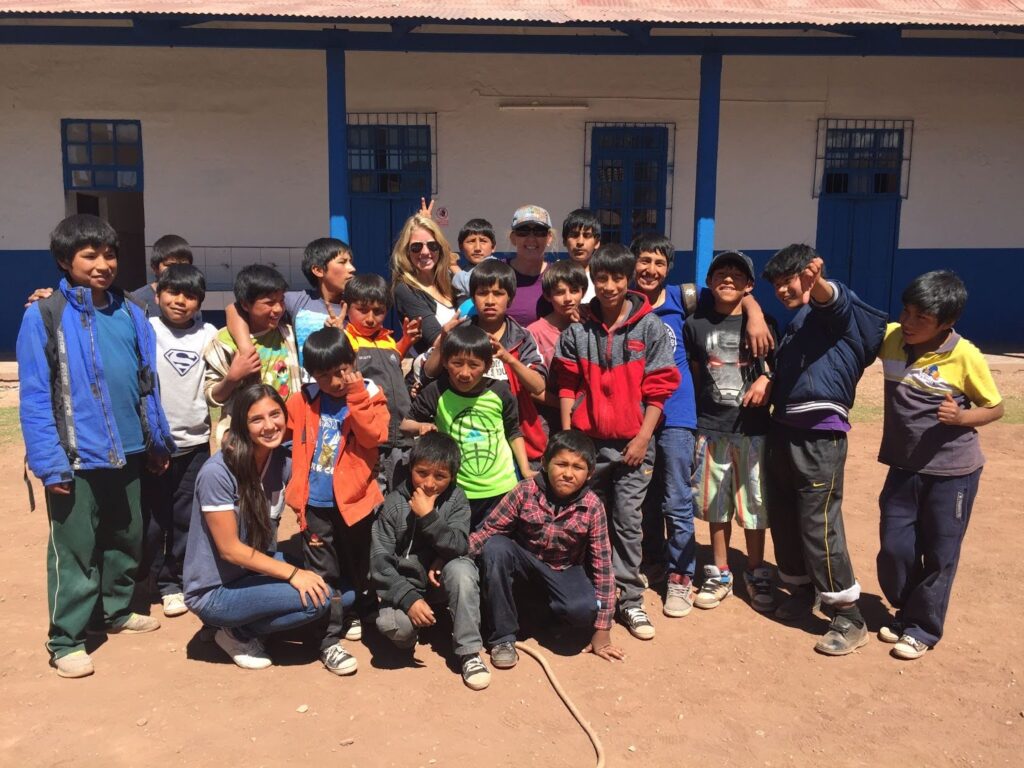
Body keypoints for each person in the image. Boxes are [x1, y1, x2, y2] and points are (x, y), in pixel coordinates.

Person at [18, 214, 175, 678]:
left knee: (123, 538)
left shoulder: (130, 312)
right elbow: (35, 393)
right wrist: (50, 463)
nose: (103, 264)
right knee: (75, 547)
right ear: (66, 261)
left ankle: (116, 610)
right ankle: (66, 638)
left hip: (128, 450)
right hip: (75, 456)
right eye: (90, 255)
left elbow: (148, 383)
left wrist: (155, 440)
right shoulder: (44, 315)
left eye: (109, 254)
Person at [762, 244, 887, 656]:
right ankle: (801, 591)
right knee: (783, 517)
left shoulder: (835, 312)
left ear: (811, 276)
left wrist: (819, 286)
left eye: (790, 280)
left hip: (820, 436)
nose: (783, 290)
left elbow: (832, 301)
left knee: (819, 524)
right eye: (777, 284)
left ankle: (848, 615)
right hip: (783, 430)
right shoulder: (796, 325)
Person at [553, 243, 680, 641]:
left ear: (629, 280)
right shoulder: (578, 329)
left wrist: (643, 437)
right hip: (588, 444)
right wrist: (569, 438)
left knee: (627, 521)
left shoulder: (650, 328)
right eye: (602, 278)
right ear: (593, 279)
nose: (609, 286)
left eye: (617, 278)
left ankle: (629, 600)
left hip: (632, 445)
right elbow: (567, 384)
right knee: (586, 519)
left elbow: (659, 389)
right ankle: (588, 589)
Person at [875, 271, 1003, 660]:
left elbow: (995, 407)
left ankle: (922, 628)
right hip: (903, 467)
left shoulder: (965, 355)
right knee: (895, 548)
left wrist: (962, 418)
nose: (909, 323)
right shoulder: (894, 337)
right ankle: (905, 607)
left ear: (947, 323)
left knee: (940, 552)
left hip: (953, 473)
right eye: (907, 312)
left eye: (922, 318)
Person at [183, 384, 330, 670]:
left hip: (252, 570)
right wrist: (294, 574)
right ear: (242, 425)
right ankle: (235, 632)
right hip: (216, 589)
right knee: (317, 602)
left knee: (338, 591)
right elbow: (231, 551)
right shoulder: (218, 472)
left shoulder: (280, 460)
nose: (269, 425)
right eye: (257, 419)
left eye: (275, 414)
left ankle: (241, 620)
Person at [471, 429, 624, 668]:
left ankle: (544, 619)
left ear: (590, 473)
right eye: (561, 464)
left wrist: (603, 629)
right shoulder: (525, 490)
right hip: (524, 562)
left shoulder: (593, 506)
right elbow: (489, 530)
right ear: (544, 463)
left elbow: (602, 566)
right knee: (496, 546)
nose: (568, 474)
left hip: (564, 568)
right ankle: (502, 637)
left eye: (577, 467)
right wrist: (451, 554)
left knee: (582, 610)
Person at [284, 327, 389, 671]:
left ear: (353, 362)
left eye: (341, 371)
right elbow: (280, 429)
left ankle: (358, 612)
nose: (334, 381)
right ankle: (327, 638)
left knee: (360, 564)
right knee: (323, 571)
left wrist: (357, 394)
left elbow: (373, 436)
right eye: (324, 375)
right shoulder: (303, 399)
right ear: (313, 374)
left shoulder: (370, 393)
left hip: (355, 501)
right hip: (314, 504)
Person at [683, 251, 777, 614]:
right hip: (710, 428)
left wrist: (766, 379)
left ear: (749, 285)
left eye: (736, 275)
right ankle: (720, 571)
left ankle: (755, 570)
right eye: (719, 273)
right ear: (709, 283)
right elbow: (693, 373)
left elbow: (774, 367)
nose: (727, 279)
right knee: (714, 503)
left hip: (753, 430)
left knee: (755, 503)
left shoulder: (764, 322)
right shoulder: (697, 324)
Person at [370, 432, 490, 690]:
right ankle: (415, 628)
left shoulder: (457, 499)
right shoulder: (393, 504)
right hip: (406, 586)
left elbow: (459, 545)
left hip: (440, 584)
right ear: (411, 468)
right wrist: (408, 599)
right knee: (393, 626)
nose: (429, 483)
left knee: (462, 570)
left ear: (453, 476)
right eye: (422, 472)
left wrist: (429, 517)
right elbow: (379, 562)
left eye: (440, 476)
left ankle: (469, 652)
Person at [141, 264, 217, 618]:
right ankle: (149, 578)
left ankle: (176, 582)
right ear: (157, 295)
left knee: (187, 516)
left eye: (190, 296)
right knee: (154, 518)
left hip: (196, 443)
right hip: (155, 446)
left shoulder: (208, 334)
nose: (180, 301)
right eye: (173, 293)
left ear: (200, 301)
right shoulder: (147, 329)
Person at [402, 324, 531, 528]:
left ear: (488, 366)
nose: (464, 372)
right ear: (445, 362)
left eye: (474, 365)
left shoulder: (500, 391)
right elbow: (405, 424)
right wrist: (420, 427)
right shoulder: (436, 390)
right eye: (457, 363)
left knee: (492, 547)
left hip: (501, 488)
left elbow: (513, 431)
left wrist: (525, 470)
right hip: (456, 490)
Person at [422, 259, 548, 464]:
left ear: (510, 298)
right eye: (482, 293)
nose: (490, 300)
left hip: (515, 440)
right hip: (465, 435)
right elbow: (429, 373)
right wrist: (443, 339)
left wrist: (509, 359)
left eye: (498, 294)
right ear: (473, 297)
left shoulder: (522, 337)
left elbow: (538, 385)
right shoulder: (458, 333)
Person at [224, 237, 354, 375]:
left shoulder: (359, 306)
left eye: (351, 262)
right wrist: (246, 349)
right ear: (318, 270)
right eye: (342, 262)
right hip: (307, 393)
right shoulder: (299, 300)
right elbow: (234, 308)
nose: (352, 268)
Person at [203, 264, 302, 441]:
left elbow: (231, 309)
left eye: (281, 301)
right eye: (269, 303)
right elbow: (212, 395)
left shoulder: (287, 333)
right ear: (246, 305)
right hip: (246, 437)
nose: (278, 309)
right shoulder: (224, 341)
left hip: (288, 434)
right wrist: (232, 378)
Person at [343, 273, 421, 493]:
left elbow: (390, 368)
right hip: (374, 439)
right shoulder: (345, 340)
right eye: (362, 309)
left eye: (378, 311)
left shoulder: (386, 339)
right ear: (346, 307)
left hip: (403, 435)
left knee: (402, 495)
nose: (370, 318)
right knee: (374, 495)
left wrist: (405, 342)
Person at [391, 213, 461, 355]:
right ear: (406, 251)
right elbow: (436, 339)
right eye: (416, 247)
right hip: (433, 373)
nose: (425, 252)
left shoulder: (450, 279)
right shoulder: (405, 289)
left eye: (432, 245)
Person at [527, 259, 587, 370]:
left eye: (574, 291)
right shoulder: (534, 333)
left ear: (583, 292)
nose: (568, 299)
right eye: (559, 292)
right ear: (548, 295)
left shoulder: (590, 324)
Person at [505, 205, 554, 327]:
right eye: (523, 231)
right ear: (513, 238)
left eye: (539, 232)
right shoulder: (497, 272)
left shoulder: (558, 276)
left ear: (549, 238)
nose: (531, 238)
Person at [131, 234, 195, 315]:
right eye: (171, 265)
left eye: (183, 265)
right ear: (155, 267)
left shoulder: (192, 298)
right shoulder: (137, 300)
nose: (177, 270)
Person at [561, 208, 602, 303]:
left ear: (596, 243)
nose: (580, 242)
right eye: (574, 235)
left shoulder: (603, 278)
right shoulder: (556, 274)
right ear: (564, 241)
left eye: (587, 235)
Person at [451, 218, 497, 298]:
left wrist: (453, 266)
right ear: (461, 247)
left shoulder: (494, 267)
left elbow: (473, 288)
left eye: (483, 241)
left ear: (493, 247)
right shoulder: (467, 268)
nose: (477, 248)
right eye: (471, 241)